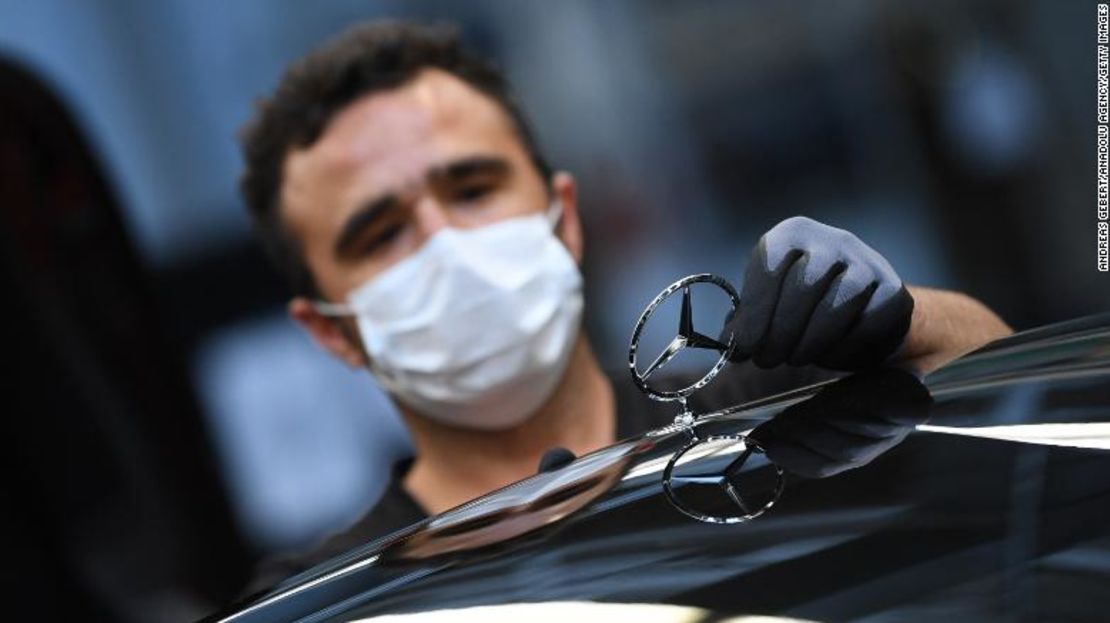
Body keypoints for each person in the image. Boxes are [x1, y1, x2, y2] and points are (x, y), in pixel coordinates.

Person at [237, 20, 1011, 581]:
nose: (444, 244)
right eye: (379, 233)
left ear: (564, 219)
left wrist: (908, 321)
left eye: (472, 187)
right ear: (330, 331)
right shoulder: (332, 594)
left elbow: (1021, 419)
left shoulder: (781, 415)